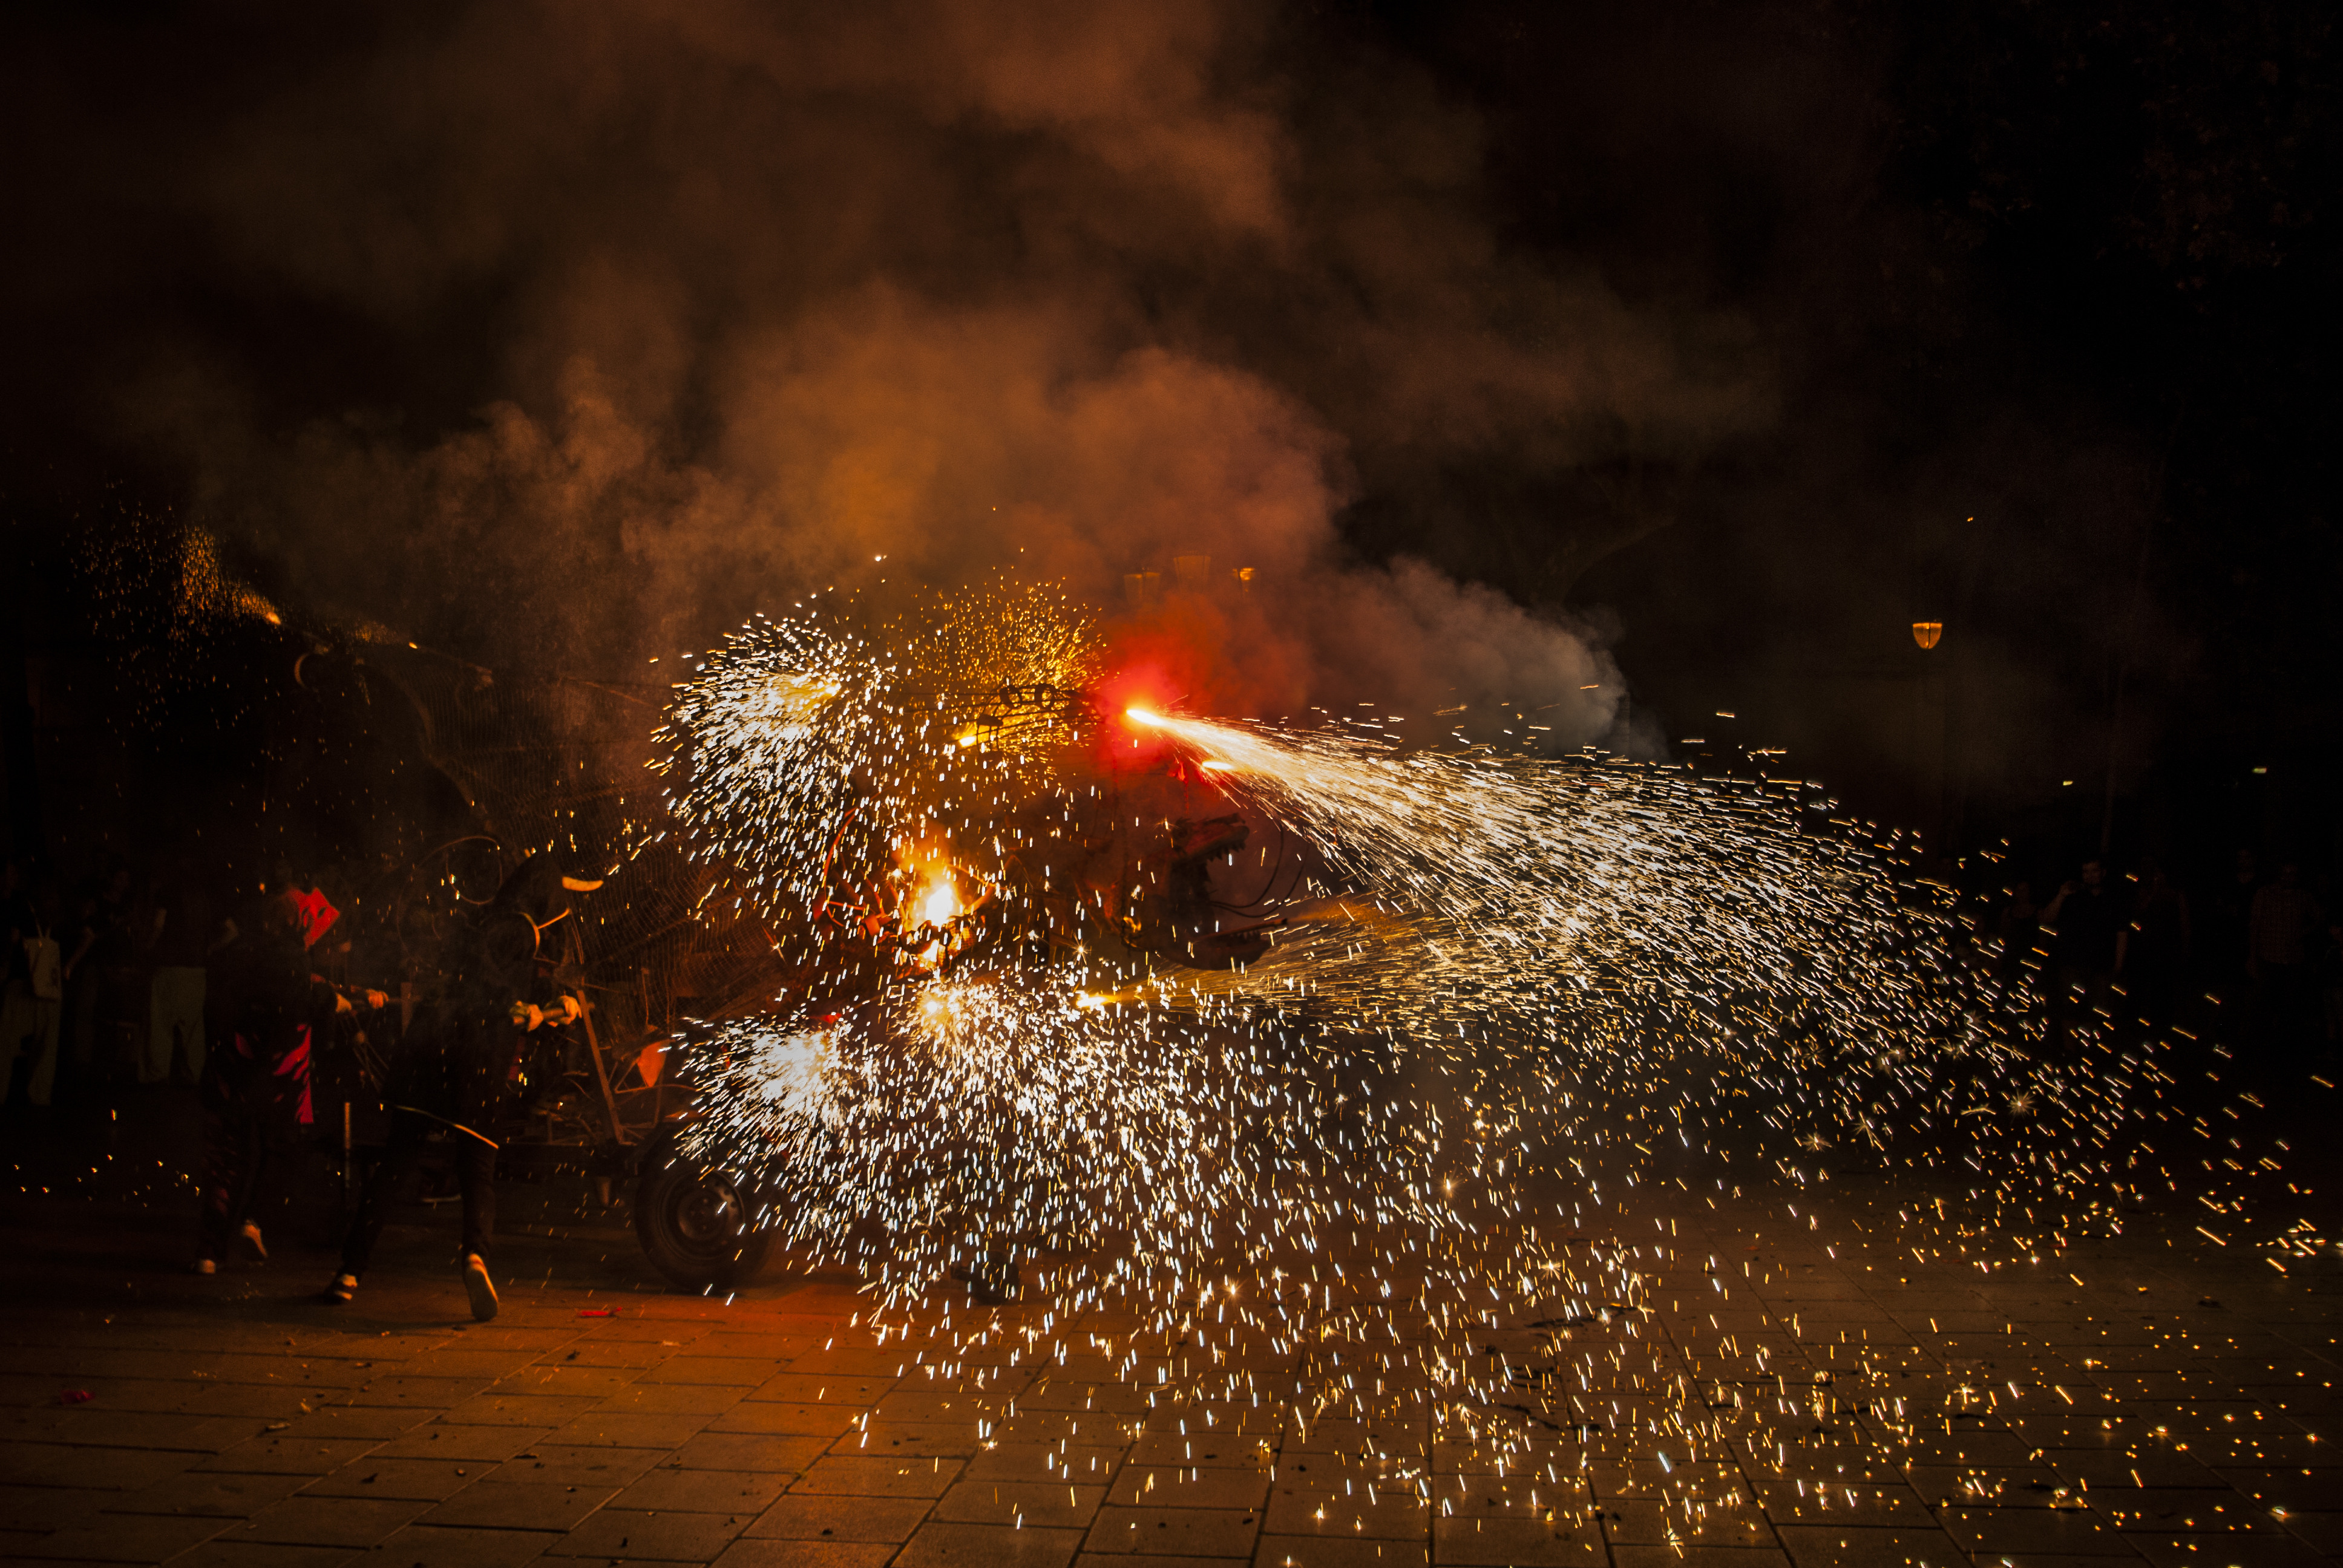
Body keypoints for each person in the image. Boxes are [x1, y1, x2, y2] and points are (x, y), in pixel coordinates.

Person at [326, 854, 598, 1320]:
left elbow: (477, 974)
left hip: (426, 1057)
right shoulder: (523, 930)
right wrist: (530, 1008)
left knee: (395, 1165)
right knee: (478, 1170)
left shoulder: (482, 918)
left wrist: (546, 1003)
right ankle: (475, 1256)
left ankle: (349, 1272)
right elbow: (494, 981)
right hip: (475, 1060)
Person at [192, 883, 378, 1275]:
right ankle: (254, 1222)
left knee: (225, 1164)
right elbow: (296, 998)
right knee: (286, 1149)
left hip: (229, 1070)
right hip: (273, 1079)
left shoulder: (243, 950)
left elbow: (288, 987)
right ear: (300, 923)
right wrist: (332, 1002)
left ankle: (208, 1252)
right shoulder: (290, 957)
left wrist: (345, 993)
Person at [2040, 859, 2124, 1047]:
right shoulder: (2073, 896)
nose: (2090, 876)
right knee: (2070, 1010)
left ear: (2103, 872)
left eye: (2094, 871)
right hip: (2073, 964)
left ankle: (2088, 1052)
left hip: (2101, 966)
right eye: (2086, 871)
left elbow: (2121, 932)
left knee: (2096, 1013)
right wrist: (2061, 895)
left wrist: (2118, 965)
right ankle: (2071, 1053)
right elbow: (2047, 918)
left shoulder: (2113, 899)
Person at [2249, 863, 2322, 1046]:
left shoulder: (2303, 896)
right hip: (2268, 955)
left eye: (2293, 874)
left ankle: (2285, 1043)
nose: (2288, 878)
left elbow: (2320, 918)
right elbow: (2255, 925)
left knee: (2289, 1003)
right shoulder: (2265, 894)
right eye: (2285, 874)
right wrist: (2252, 956)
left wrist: (2303, 933)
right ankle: (2263, 1041)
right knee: (2265, 1001)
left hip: (2293, 958)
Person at [2121, 857, 2192, 1033]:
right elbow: (2138, 912)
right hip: (2144, 950)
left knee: (2162, 991)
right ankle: (2134, 1026)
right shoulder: (2144, 892)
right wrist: (2152, 893)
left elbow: (2184, 922)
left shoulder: (2175, 895)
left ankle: (2160, 1027)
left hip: (2166, 950)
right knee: (2138, 989)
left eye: (2161, 873)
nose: (2158, 876)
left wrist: (2185, 948)